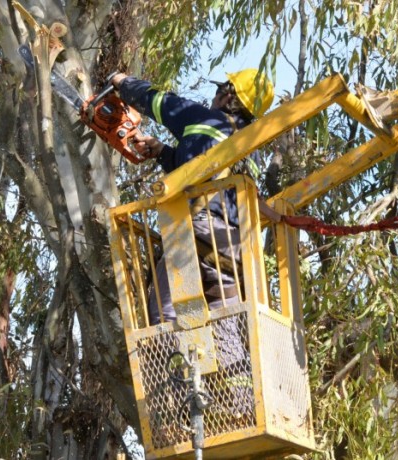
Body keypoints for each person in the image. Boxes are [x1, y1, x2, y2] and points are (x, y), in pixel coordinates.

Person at [109, 69, 281, 326]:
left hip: (197, 232)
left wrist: (121, 82)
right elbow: (204, 174)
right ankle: (232, 365)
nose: (214, 98)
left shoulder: (205, 119)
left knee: (167, 316)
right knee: (226, 320)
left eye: (218, 91)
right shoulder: (251, 151)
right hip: (233, 246)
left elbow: (157, 102)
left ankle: (169, 363)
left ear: (227, 96)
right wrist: (163, 152)